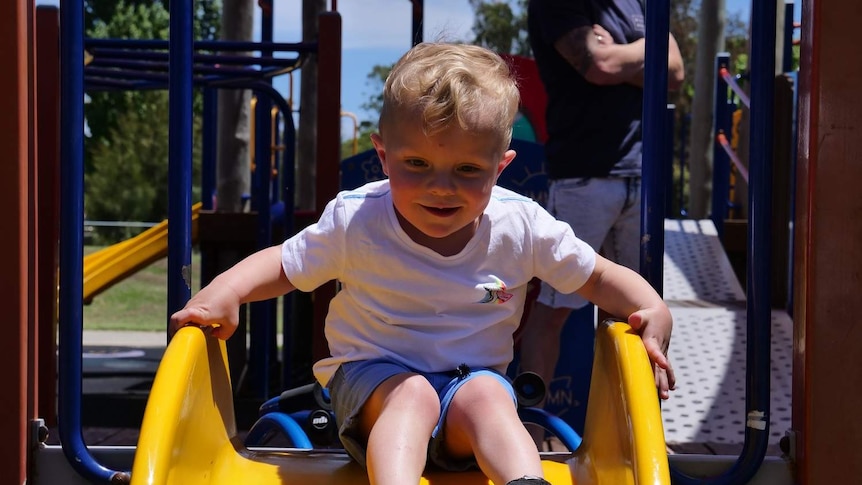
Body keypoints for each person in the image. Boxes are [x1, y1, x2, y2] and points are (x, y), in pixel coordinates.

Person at [170, 42, 673, 485]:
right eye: (417, 165)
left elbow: (599, 275)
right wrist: (226, 292)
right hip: (373, 391)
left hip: (465, 403)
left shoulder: (522, 226)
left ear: (501, 168)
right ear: (383, 156)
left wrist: (650, 306)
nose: (441, 186)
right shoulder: (358, 219)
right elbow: (285, 264)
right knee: (411, 395)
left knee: (491, 398)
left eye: (467, 170)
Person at [518, 0, 684, 445]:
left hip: (641, 173)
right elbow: (598, 64)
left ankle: (636, 437)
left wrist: (624, 57)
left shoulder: (638, 4)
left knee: (640, 310)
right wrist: (644, 53)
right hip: (583, 176)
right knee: (552, 310)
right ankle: (529, 433)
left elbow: (673, 71)